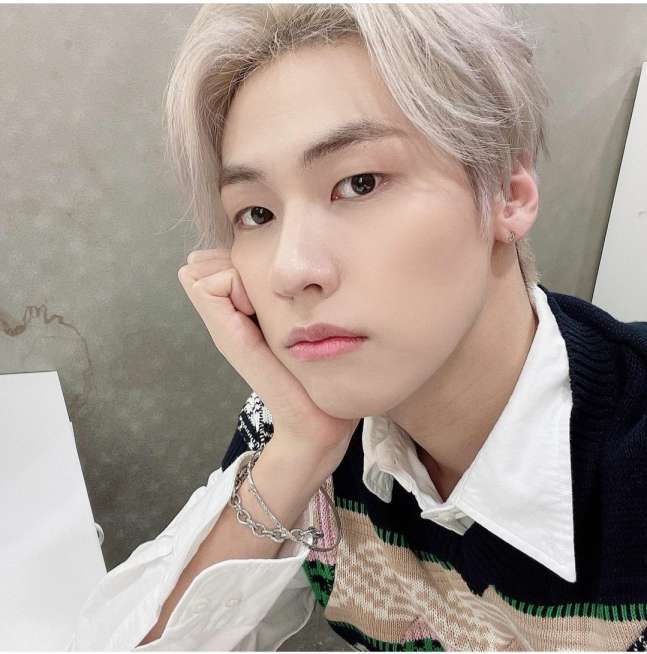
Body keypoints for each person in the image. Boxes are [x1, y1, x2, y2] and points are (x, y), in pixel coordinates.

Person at [68, 4, 647, 651]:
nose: (290, 271)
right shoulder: (302, 421)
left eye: (359, 182)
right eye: (256, 213)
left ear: (507, 193)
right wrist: (301, 447)